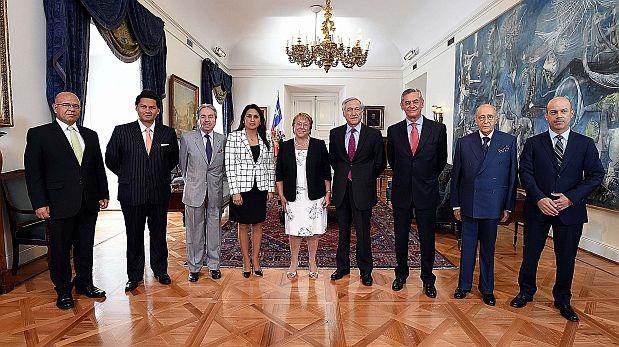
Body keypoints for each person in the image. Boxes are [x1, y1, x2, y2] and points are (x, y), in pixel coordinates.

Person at [511, 96, 604, 321]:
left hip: (570, 212)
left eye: (563, 111)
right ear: (547, 116)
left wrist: (571, 198)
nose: (559, 116)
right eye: (554, 112)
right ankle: (526, 291)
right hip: (538, 209)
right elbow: (526, 173)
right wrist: (540, 199)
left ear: (572, 114)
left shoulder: (585, 144)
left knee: (566, 258)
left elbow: (596, 175)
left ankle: (563, 299)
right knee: (530, 254)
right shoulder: (533, 143)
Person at [24, 92, 109, 309]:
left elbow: (98, 167)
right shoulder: (39, 134)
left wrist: (103, 193)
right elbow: (34, 173)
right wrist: (39, 203)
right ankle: (63, 290)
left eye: (76, 106)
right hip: (57, 204)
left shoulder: (90, 135)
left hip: (88, 202)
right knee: (60, 250)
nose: (71, 109)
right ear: (55, 107)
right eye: (66, 105)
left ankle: (84, 283)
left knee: (85, 247)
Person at [105, 90, 179, 292]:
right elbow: (110, 158)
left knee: (158, 234)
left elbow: (173, 159)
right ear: (136, 107)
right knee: (134, 235)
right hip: (132, 193)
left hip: (158, 192)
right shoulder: (122, 131)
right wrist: (128, 174)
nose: (148, 110)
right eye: (144, 106)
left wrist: (159, 174)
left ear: (158, 110)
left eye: (152, 107)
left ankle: (160, 270)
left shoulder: (167, 133)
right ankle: (135, 275)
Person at [450, 104, 517, 306]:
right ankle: (464, 286)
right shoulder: (464, 142)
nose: (486, 121)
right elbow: (456, 178)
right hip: (469, 205)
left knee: (488, 250)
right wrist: (455, 205)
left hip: (493, 205)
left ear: (496, 119)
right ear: (476, 120)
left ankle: (487, 289)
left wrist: (508, 207)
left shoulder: (508, 141)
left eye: (490, 117)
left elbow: (512, 177)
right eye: (481, 117)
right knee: (468, 249)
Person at [386, 88, 447, 296]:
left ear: (422, 103)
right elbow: (392, 160)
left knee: (427, 238)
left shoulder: (438, 129)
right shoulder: (393, 131)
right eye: (407, 102)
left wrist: (426, 179)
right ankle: (400, 275)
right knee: (400, 236)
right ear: (402, 105)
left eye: (415, 102)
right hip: (402, 192)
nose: (411, 105)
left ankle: (428, 279)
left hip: (426, 192)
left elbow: (440, 160)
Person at [329, 97, 386, 286]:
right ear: (343, 113)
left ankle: (365, 271)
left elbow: (379, 163)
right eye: (349, 110)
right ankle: (342, 267)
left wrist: (363, 176)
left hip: (363, 189)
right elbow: (334, 160)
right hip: (342, 189)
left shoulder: (373, 135)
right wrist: (345, 174)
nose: (353, 113)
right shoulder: (335, 134)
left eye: (356, 109)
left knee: (363, 233)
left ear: (362, 112)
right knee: (342, 231)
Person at [276, 113, 331, 279]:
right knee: (294, 231)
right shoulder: (285, 146)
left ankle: (312, 262)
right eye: (298, 124)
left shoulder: (319, 145)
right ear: (293, 126)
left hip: (314, 196)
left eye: (305, 124)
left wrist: (328, 193)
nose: (301, 127)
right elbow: (279, 174)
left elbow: (326, 172)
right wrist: (281, 195)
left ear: (310, 127)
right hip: (293, 196)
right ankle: (294, 262)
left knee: (313, 230)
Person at [225, 104, 275, 278]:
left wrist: (270, 188)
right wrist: (235, 192)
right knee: (243, 225)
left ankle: (256, 259)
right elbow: (230, 166)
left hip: (260, 188)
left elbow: (270, 165)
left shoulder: (266, 137)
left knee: (258, 224)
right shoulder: (233, 137)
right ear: (243, 119)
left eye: (256, 116)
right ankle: (246, 260)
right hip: (242, 189)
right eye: (249, 116)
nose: (252, 119)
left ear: (260, 120)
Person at [179, 104, 226, 282]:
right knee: (194, 231)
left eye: (210, 117)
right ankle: (194, 267)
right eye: (203, 116)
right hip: (194, 192)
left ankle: (214, 265)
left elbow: (223, 168)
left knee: (214, 230)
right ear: (198, 119)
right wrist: (194, 183)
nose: (207, 120)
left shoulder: (222, 140)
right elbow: (183, 166)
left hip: (215, 192)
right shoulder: (187, 138)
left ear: (215, 119)